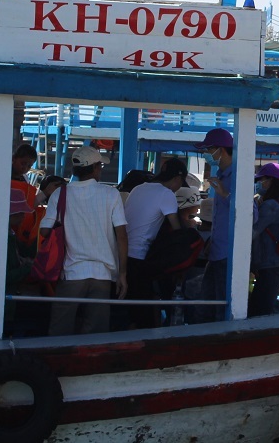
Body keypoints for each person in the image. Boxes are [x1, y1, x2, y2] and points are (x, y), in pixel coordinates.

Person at [41, 146, 128, 336]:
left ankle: (59, 364)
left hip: (72, 272)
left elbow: (45, 230)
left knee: (59, 331)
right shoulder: (110, 194)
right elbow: (121, 235)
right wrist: (122, 274)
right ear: (96, 168)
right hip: (103, 274)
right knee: (95, 334)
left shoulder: (60, 194)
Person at [123, 158, 190, 328]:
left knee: (128, 308)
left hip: (122, 254)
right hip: (139, 257)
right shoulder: (166, 194)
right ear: (177, 179)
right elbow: (176, 230)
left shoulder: (138, 188)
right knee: (142, 313)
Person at [194, 128, 235, 322]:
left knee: (221, 307)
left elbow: (249, 212)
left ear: (220, 150)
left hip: (228, 255)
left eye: (208, 149)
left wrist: (225, 194)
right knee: (206, 306)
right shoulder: (221, 174)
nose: (206, 154)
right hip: (217, 252)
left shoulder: (236, 177)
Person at [250, 163, 279, 317]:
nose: (259, 183)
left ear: (271, 181)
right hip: (278, 266)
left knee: (258, 311)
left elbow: (252, 231)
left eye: (262, 180)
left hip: (270, 268)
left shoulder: (269, 206)